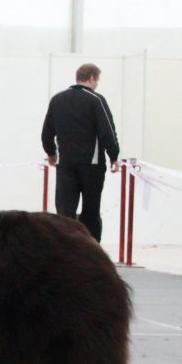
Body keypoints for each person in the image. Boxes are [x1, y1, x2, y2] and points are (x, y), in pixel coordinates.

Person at [41, 63, 119, 242]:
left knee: (65, 212)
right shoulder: (96, 99)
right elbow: (107, 131)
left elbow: (47, 132)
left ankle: (64, 251)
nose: (97, 84)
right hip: (91, 165)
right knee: (91, 210)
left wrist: (51, 152)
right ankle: (91, 250)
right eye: (97, 80)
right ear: (91, 78)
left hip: (65, 164)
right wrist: (113, 156)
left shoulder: (57, 99)